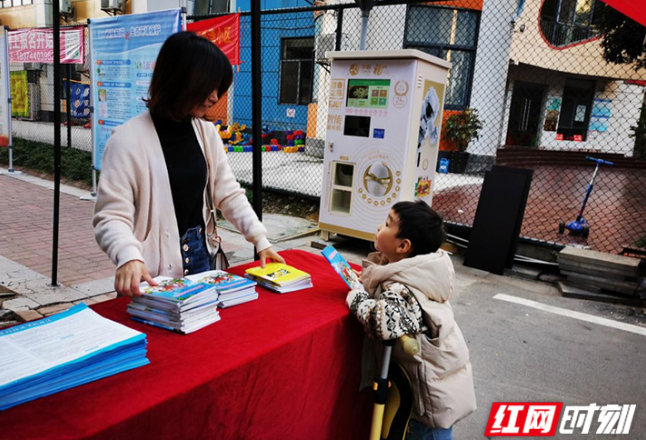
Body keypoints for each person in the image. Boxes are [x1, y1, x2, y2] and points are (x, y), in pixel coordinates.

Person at [93, 31, 284, 297]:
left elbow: (228, 194)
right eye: (209, 87)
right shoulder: (126, 140)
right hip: (152, 271)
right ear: (181, 80)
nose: (216, 97)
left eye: (220, 88)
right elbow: (111, 216)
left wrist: (260, 240)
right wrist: (127, 256)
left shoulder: (206, 133)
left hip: (202, 256)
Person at [346, 200, 476, 440]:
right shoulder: (417, 269)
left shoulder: (405, 288)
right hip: (433, 391)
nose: (379, 227)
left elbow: (382, 321)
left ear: (403, 245)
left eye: (387, 224)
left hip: (426, 407)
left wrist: (356, 299)